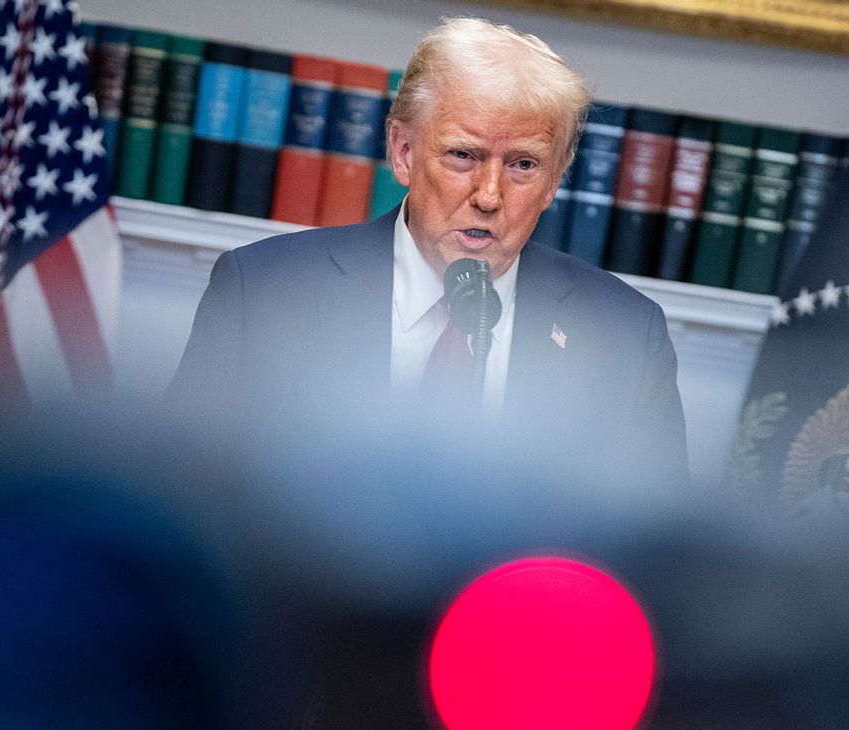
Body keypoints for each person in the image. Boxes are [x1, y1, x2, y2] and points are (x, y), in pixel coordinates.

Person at [169, 17, 688, 485]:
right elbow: (181, 489)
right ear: (403, 153)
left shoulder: (625, 337)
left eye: (524, 165)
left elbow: (658, 553)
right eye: (463, 155)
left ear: (555, 180)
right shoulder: (262, 291)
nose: (489, 195)